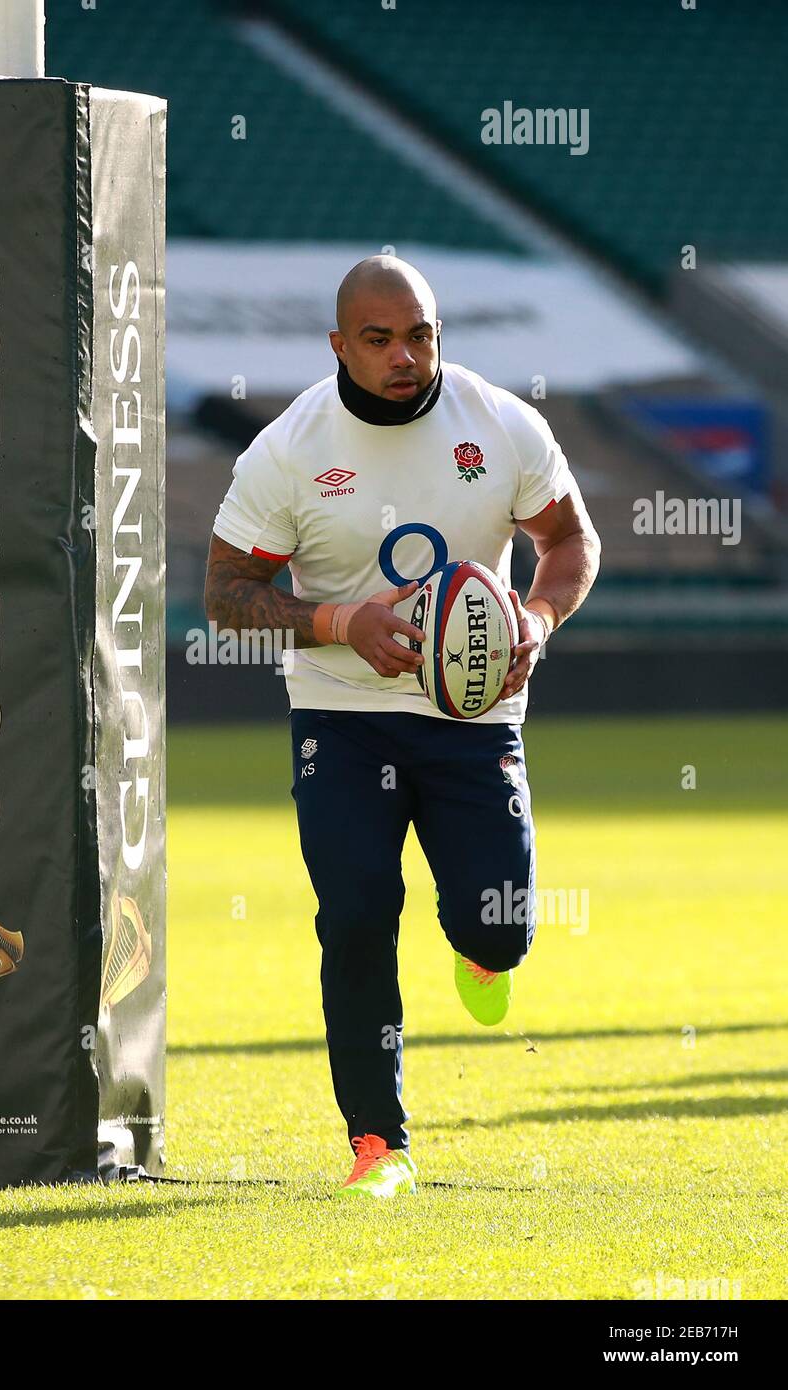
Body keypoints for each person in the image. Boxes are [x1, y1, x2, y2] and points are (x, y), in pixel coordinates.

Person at [204, 255, 601, 1198]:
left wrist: (536, 621)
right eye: (377, 340)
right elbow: (225, 591)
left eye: (419, 334)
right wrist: (341, 623)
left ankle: (478, 949)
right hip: (342, 716)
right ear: (338, 345)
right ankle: (379, 1146)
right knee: (353, 916)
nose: (403, 356)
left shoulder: (502, 423)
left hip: (473, 714)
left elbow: (569, 540)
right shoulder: (289, 449)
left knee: (499, 931)